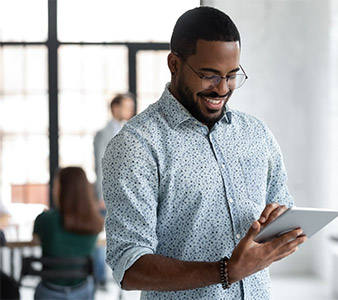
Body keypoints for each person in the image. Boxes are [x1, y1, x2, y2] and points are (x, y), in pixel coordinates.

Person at [102, 6, 307, 299]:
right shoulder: (137, 145)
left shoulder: (255, 134)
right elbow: (129, 266)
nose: (222, 89)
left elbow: (283, 206)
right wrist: (226, 271)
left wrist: (280, 225)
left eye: (232, 75)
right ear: (174, 64)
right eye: (209, 75)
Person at [32, 167, 104, 300]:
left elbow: (35, 240)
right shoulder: (95, 221)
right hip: (83, 292)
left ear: (61, 189)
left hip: (50, 292)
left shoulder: (45, 219)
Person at [93, 93, 135, 289]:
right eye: (127, 106)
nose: (130, 110)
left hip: (127, 194)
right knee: (102, 237)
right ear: (115, 108)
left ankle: (125, 274)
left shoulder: (131, 131)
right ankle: (101, 277)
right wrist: (101, 195)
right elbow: (100, 165)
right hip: (108, 195)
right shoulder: (104, 133)